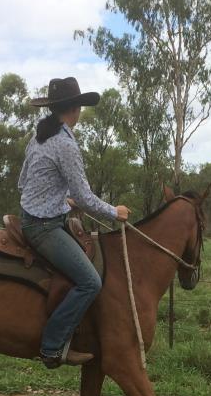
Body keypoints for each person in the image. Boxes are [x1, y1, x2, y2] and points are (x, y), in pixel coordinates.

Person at [17, 76, 130, 368]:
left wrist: (59, 198)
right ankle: (52, 346)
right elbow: (85, 197)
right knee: (90, 282)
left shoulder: (39, 137)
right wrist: (114, 212)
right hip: (43, 226)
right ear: (75, 109)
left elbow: (23, 182)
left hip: (33, 217)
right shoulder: (65, 144)